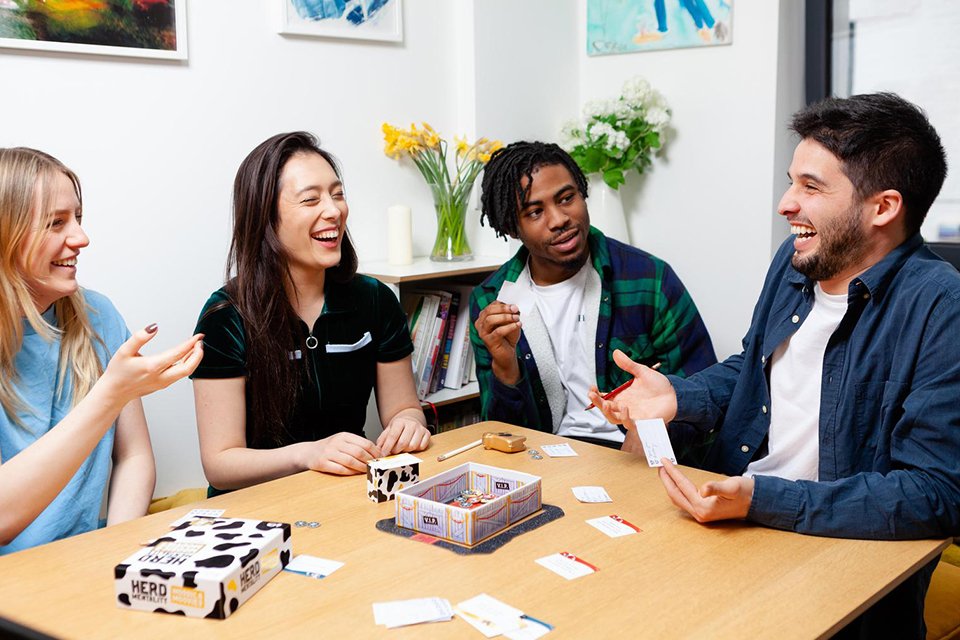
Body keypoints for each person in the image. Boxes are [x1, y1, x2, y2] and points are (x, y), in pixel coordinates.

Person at [588, 93, 960, 638]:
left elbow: (935, 495)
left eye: (811, 187)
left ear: (883, 207)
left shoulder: (942, 308)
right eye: (792, 181)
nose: (786, 203)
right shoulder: (793, 266)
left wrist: (765, 499)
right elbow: (752, 369)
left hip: (840, 570)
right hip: (730, 523)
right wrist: (679, 397)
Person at [192, 132, 430, 495]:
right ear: (265, 217)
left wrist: (410, 423)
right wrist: (307, 455)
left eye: (337, 194)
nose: (334, 211)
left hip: (347, 496)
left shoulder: (376, 300)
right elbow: (221, 464)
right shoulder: (226, 316)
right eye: (310, 199)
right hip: (256, 513)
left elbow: (404, 408)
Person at [0, 147, 203, 554]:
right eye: (56, 223)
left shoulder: (99, 316)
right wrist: (113, 394)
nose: (81, 238)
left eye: (78, 218)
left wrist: (116, 552)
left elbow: (134, 458)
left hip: (87, 559)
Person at [469, 141, 716, 451]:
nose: (558, 219)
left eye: (567, 198)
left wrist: (646, 437)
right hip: (542, 460)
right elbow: (502, 436)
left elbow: (703, 396)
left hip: (636, 457)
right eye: (534, 212)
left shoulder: (649, 279)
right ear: (512, 227)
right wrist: (505, 367)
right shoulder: (490, 301)